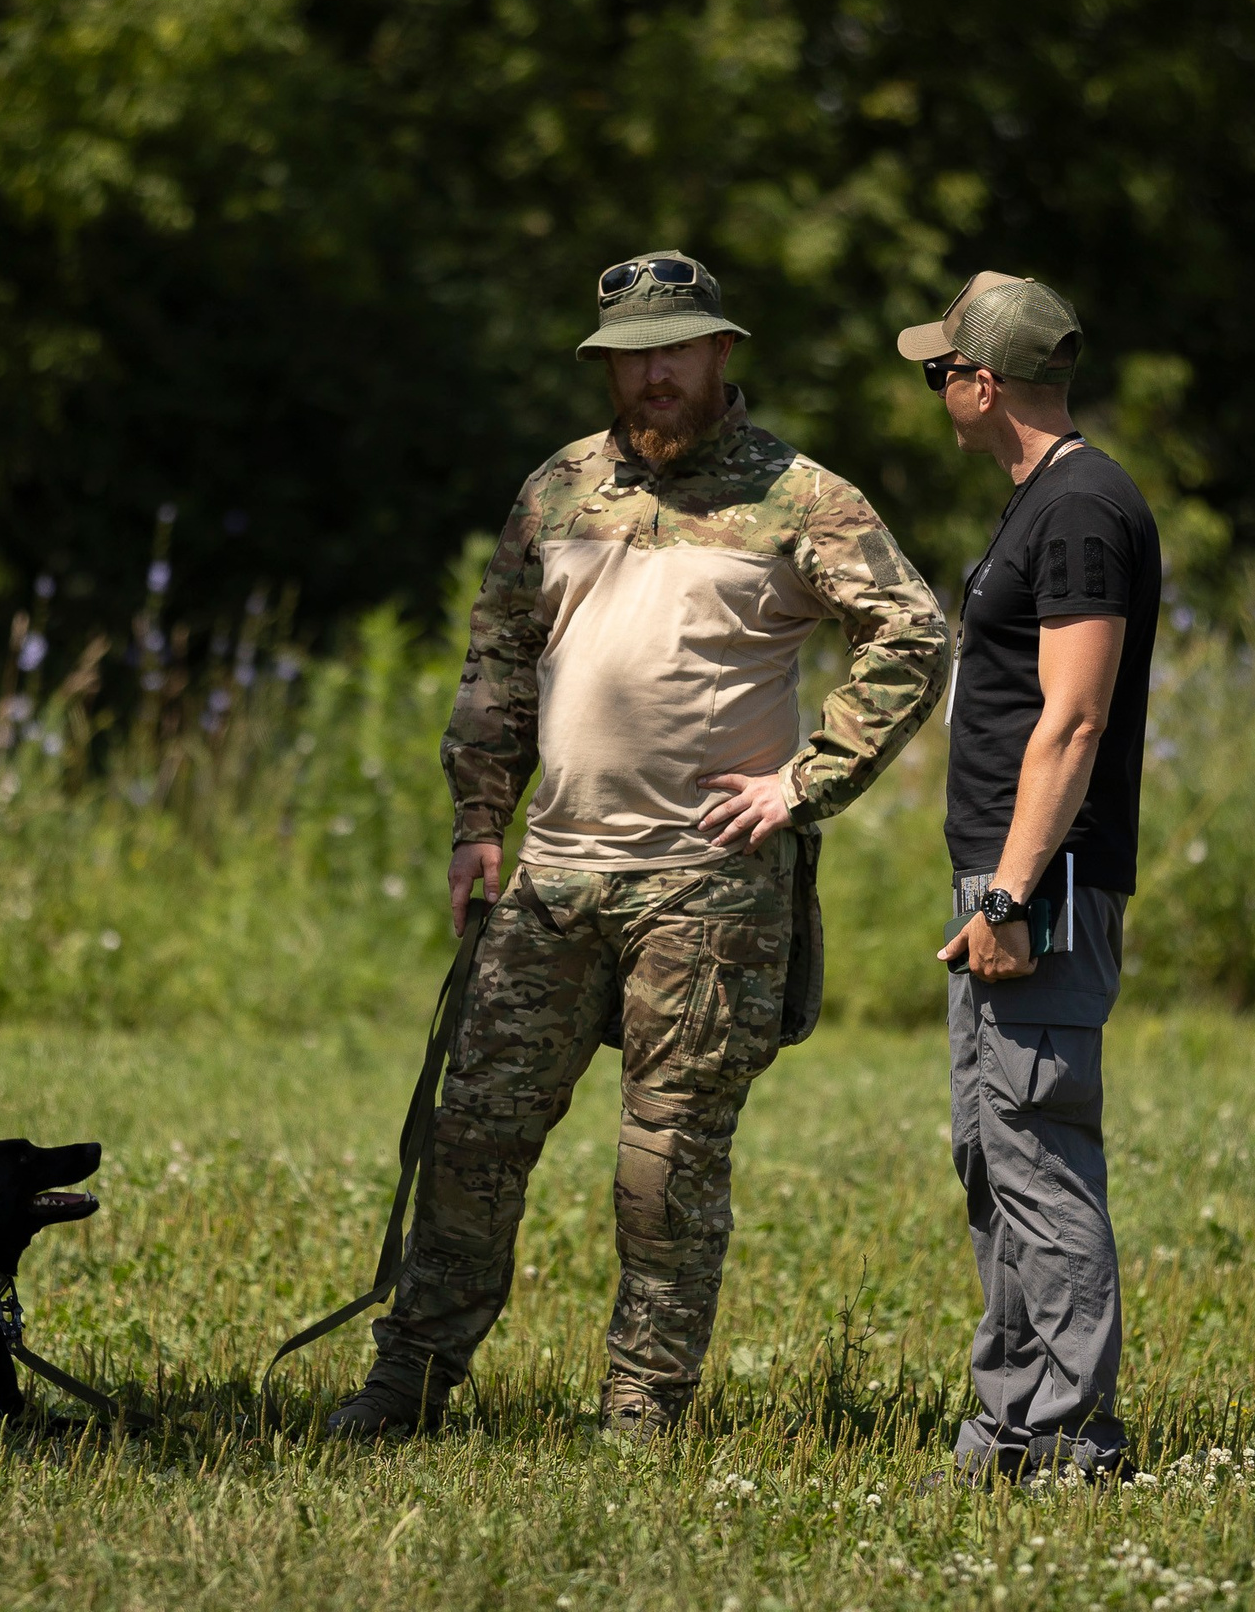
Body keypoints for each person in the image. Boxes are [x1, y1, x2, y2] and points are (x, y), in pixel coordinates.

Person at [327, 250, 948, 1439]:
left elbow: (912, 635)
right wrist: (477, 824)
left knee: (666, 1163)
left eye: (674, 352)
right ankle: (408, 1383)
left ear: (720, 351)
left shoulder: (801, 496)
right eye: (630, 358)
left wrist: (805, 782)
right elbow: (499, 661)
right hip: (553, 876)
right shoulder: (558, 488)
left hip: (708, 887)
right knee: (472, 1137)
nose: (653, 376)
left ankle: (642, 1408)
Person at [908, 272, 1161, 1480]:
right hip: (1004, 879)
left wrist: (1010, 894)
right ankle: (1006, 1431)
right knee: (992, 1152)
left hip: (1038, 886)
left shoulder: (1081, 509)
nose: (934, 392)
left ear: (982, 384)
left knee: (1038, 1150)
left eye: (938, 371)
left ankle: (1071, 1438)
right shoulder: (1043, 502)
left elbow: (1074, 717)